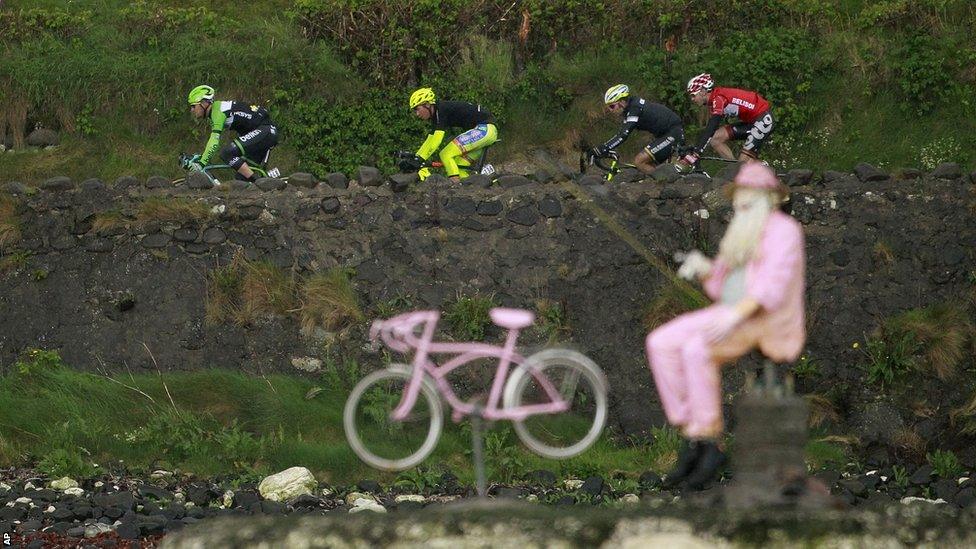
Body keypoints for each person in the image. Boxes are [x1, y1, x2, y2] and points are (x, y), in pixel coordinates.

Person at [645, 162, 805, 490]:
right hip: (730, 312)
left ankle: (705, 447)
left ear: (768, 198)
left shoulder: (785, 231)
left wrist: (736, 314)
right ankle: (696, 435)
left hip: (765, 320)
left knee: (696, 351)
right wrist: (703, 269)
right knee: (661, 342)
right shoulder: (741, 231)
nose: (741, 205)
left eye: (748, 198)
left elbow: (772, 288)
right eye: (739, 199)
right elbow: (720, 288)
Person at [679, 74, 774, 169]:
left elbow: (711, 127)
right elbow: (711, 131)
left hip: (764, 119)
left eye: (693, 95)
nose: (692, 99)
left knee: (742, 164)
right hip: (752, 122)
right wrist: (697, 148)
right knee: (716, 139)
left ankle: (760, 171)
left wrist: (697, 152)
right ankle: (734, 169)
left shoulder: (719, 98)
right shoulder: (715, 100)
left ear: (703, 92)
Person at [185, 85, 278, 183]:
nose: (192, 110)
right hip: (262, 132)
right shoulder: (215, 112)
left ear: (204, 103)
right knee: (241, 179)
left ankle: (260, 182)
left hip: (265, 130)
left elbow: (214, 141)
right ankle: (264, 183)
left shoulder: (218, 112)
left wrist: (202, 163)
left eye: (193, 106)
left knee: (227, 153)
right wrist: (202, 158)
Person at [589, 84, 684, 173]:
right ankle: (663, 180)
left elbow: (623, 135)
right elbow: (621, 133)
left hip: (672, 133)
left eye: (612, 106)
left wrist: (605, 147)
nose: (610, 110)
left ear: (622, 102)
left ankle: (664, 181)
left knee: (639, 161)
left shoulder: (635, 108)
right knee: (647, 164)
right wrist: (605, 146)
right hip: (665, 134)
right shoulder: (631, 108)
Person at [408, 87, 497, 183]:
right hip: (487, 131)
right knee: (460, 166)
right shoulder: (436, 116)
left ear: (427, 104)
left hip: (485, 129)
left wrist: (420, 159)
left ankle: (455, 187)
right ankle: (469, 189)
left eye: (417, 109)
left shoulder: (441, 109)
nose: (417, 114)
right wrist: (417, 157)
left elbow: (436, 140)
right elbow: (431, 138)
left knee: (446, 154)